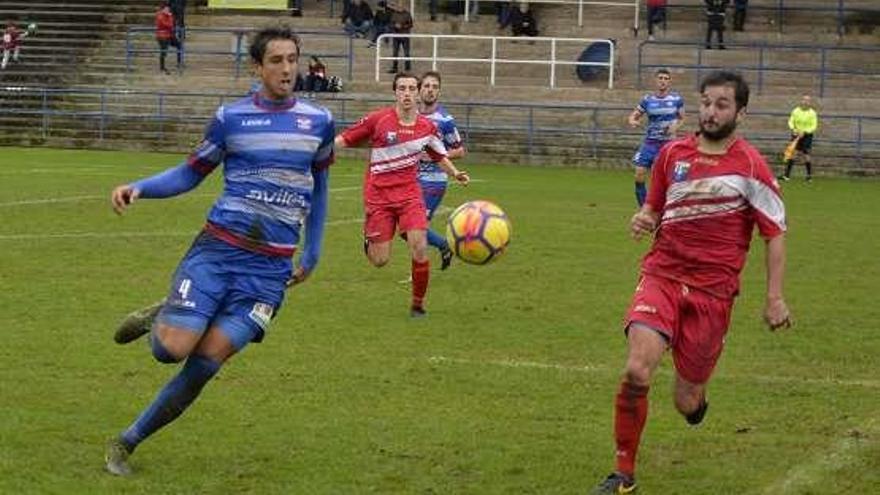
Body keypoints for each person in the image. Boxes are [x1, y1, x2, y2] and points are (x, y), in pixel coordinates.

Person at [103, 26, 335, 476]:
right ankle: (164, 313)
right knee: (169, 350)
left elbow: (322, 189)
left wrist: (313, 251)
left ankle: (127, 441)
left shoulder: (318, 121)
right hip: (218, 252)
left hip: (269, 273)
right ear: (257, 67)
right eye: (277, 61)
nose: (287, 69)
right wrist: (141, 188)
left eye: (293, 59)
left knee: (206, 363)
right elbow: (191, 173)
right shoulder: (232, 118)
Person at [590, 70, 792, 495]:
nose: (711, 111)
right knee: (636, 370)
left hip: (713, 293)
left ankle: (697, 403)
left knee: (686, 401)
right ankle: (623, 473)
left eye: (722, 104)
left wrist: (775, 298)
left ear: (741, 112)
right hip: (662, 275)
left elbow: (774, 233)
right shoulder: (671, 154)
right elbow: (654, 206)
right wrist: (645, 217)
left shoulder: (752, 166)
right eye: (706, 102)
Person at [334, 72, 469, 317]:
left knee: (418, 246)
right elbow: (344, 138)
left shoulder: (427, 127)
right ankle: (369, 237)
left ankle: (418, 306)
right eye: (402, 88)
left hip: (409, 194)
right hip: (379, 196)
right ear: (395, 92)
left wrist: (455, 173)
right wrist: (318, 151)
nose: (407, 93)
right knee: (380, 261)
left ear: (417, 93)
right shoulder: (378, 120)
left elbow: (439, 154)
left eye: (411, 89)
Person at [416, 71, 466, 271]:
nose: (430, 90)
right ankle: (444, 245)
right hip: (412, 179)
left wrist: (436, 154)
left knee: (415, 228)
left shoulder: (445, 120)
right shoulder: (413, 116)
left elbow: (460, 150)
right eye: (426, 86)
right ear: (420, 90)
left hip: (434, 180)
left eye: (434, 87)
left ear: (439, 92)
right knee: (406, 229)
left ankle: (418, 272)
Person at [627, 68, 684, 207]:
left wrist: (675, 127)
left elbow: (682, 118)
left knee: (661, 178)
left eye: (666, 78)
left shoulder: (676, 99)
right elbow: (633, 116)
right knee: (639, 175)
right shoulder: (647, 100)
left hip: (667, 144)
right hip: (650, 143)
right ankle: (644, 209)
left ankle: (663, 207)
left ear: (669, 81)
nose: (663, 81)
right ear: (656, 80)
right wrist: (633, 121)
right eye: (660, 78)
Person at [780, 94, 819, 182]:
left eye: (808, 100)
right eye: (804, 100)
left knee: (806, 154)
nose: (805, 102)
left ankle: (809, 176)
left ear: (810, 103)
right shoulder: (796, 111)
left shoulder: (812, 113)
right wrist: (794, 129)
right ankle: (786, 176)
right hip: (796, 134)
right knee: (793, 153)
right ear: (801, 101)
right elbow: (791, 121)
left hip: (807, 135)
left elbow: (814, 126)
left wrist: (805, 132)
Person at [155, 1, 181, 74]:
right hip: (162, 36)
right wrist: (169, 17)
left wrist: (169, 18)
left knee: (179, 45)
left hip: (169, 35)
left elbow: (172, 23)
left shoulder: (169, 15)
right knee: (164, 51)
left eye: (168, 9)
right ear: (163, 9)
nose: (168, 10)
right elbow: (166, 24)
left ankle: (179, 63)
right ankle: (162, 67)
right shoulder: (160, 15)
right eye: (166, 9)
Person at [387, 1, 413, 73]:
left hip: (404, 36)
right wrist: (394, 26)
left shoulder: (407, 14)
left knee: (406, 53)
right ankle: (395, 67)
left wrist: (402, 26)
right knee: (395, 52)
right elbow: (390, 24)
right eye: (398, 6)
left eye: (401, 6)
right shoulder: (394, 14)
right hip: (396, 35)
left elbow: (410, 24)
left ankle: (407, 68)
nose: (399, 7)